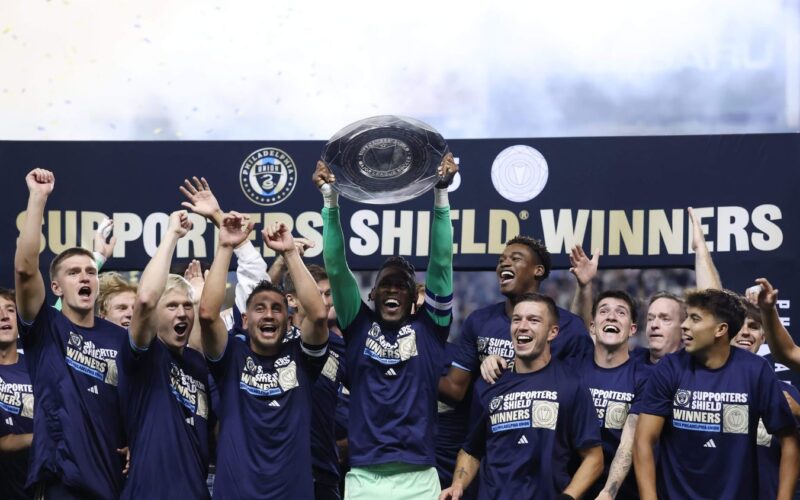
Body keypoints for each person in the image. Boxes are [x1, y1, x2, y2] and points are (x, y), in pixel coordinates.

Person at [315, 155, 456, 499]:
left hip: (421, 477)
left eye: (403, 285)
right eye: (387, 284)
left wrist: (441, 194)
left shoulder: (431, 328)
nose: (393, 289)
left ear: (414, 298)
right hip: (364, 477)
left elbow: (440, 262)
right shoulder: (357, 324)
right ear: (373, 294)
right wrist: (329, 200)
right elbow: (335, 265)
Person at [15, 168, 127, 499]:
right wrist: (38, 198)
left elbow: (135, 401)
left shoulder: (119, 337)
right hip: (61, 476)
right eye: (74, 273)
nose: (85, 278)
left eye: (91, 272)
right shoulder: (45, 327)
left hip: (112, 476)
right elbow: (24, 268)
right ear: (56, 287)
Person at [199, 215, 329, 499]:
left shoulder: (303, 360)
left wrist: (290, 253)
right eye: (260, 308)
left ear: (288, 318)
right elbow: (207, 315)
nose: (269, 314)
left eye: (276, 308)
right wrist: (224, 247)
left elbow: (318, 314)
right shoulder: (231, 356)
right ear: (244, 320)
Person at [633, 289, 800, 499]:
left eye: (695, 319)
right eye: (686, 318)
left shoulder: (756, 370)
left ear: (720, 329)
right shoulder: (670, 367)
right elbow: (643, 440)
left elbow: (790, 440)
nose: (684, 325)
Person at [440, 293, 603, 500]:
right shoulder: (489, 384)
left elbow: (593, 458)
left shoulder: (572, 385)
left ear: (552, 332)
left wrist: (568, 497)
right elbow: (471, 451)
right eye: (517, 319)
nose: (522, 326)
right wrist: (458, 484)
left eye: (533, 320)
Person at [117, 210, 212, 499]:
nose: (182, 313)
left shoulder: (197, 363)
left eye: (187, 306)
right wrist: (171, 235)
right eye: (171, 306)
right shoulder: (145, 356)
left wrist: (197, 293)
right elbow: (146, 299)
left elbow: (201, 329)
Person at [439, 236, 592, 404]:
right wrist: (414, 368)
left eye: (516, 258)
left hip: (544, 423)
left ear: (538, 270)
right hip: (489, 427)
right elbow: (455, 389)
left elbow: (580, 390)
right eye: (501, 260)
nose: (504, 264)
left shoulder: (569, 325)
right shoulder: (479, 320)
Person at [283, 263, 347, 500]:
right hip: (282, 469)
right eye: (317, 293)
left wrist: (348, 440)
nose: (324, 300)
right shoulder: (275, 345)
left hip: (324, 470)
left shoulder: (341, 347)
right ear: (292, 300)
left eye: (328, 293)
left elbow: (364, 396)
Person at [730, 299, 800, 500]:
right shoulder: (703, 387)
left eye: (753, 326)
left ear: (764, 337)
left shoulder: (787, 393)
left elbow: (793, 451)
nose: (745, 332)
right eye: (739, 325)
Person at [0, 288, 34, 500]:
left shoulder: (39, 366)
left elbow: (59, 314)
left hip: (40, 486)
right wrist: (43, 437)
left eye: (10, 310)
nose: (3, 316)